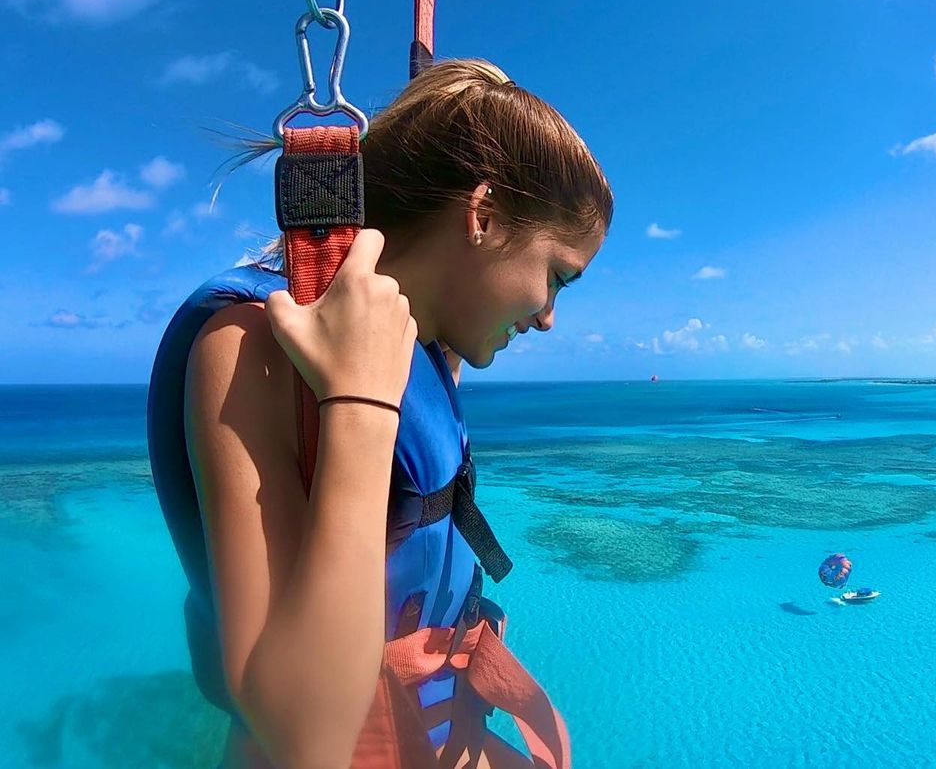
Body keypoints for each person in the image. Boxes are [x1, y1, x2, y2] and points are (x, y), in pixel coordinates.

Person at [148, 59, 612, 768]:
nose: (549, 317)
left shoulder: (433, 348)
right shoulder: (252, 347)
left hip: (438, 737)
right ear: (482, 215)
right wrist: (359, 402)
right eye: (556, 275)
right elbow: (307, 744)